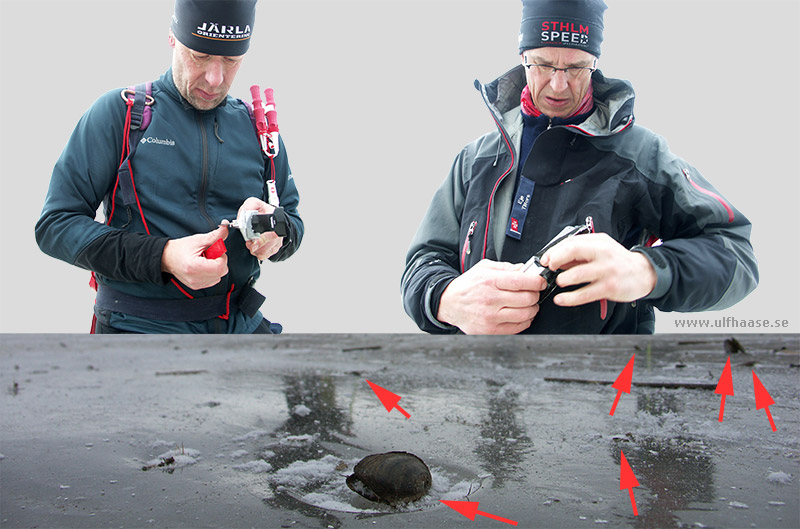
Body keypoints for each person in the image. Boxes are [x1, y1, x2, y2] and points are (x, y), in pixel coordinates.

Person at [401, 0, 758, 335]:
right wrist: (447, 300)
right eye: (542, 64)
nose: (559, 84)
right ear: (523, 57)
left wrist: (647, 270)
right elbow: (423, 261)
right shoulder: (474, 159)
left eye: (575, 68)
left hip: (600, 388)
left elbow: (736, 256)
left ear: (595, 63)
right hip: (478, 386)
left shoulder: (641, 155)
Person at [35, 0, 303, 334]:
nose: (215, 78)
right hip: (138, 329)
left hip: (240, 327)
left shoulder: (256, 128)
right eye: (200, 56)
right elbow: (55, 226)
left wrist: (276, 234)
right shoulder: (119, 115)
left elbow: (291, 220)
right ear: (173, 39)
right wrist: (164, 256)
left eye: (231, 61)